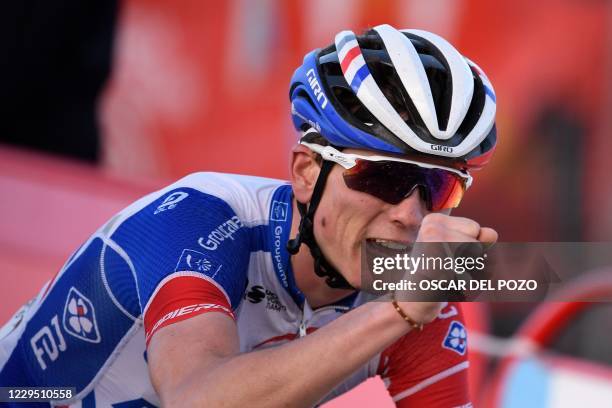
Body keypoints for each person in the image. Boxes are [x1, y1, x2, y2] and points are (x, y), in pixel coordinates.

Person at [0, 24, 497, 407]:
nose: (410, 215)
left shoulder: (418, 295)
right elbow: (197, 399)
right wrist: (395, 312)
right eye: (381, 179)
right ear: (305, 172)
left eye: (438, 187)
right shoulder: (202, 219)